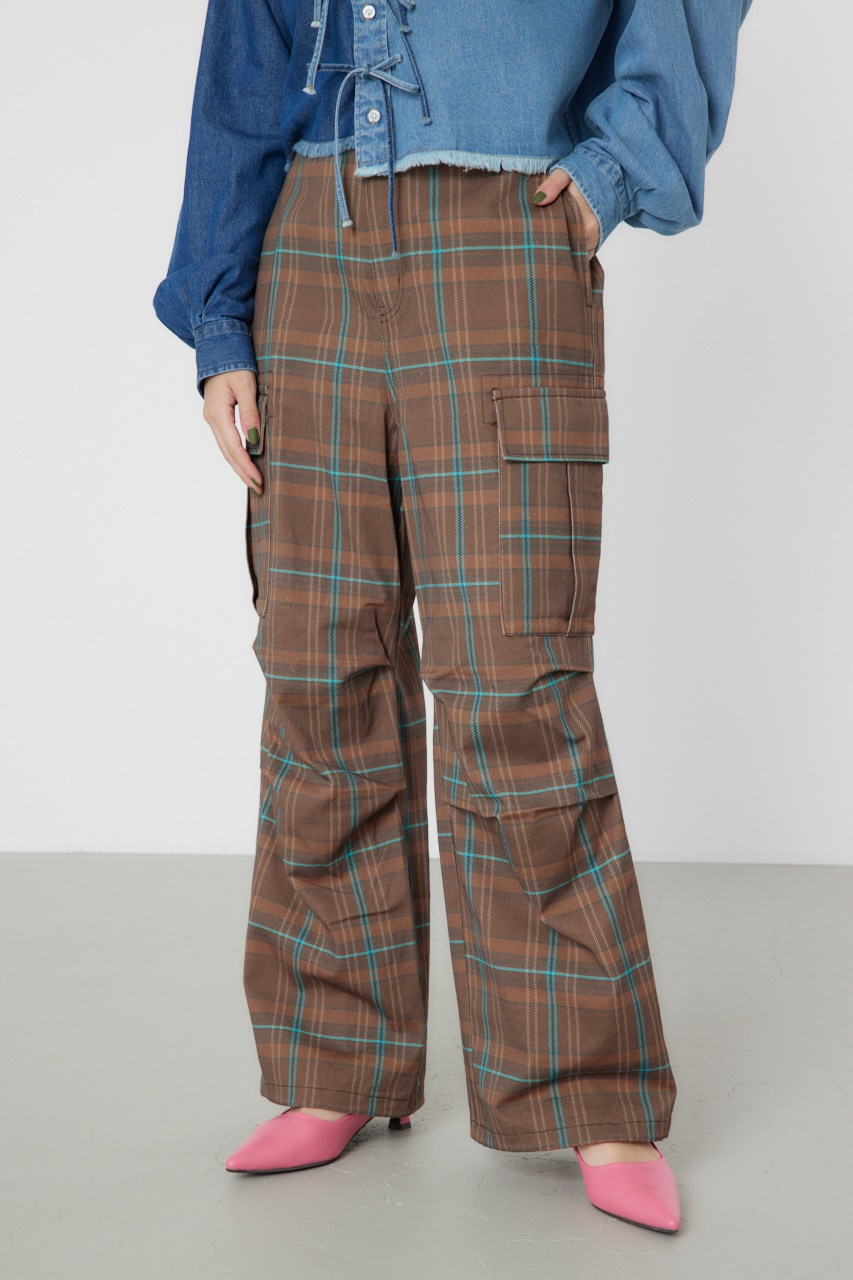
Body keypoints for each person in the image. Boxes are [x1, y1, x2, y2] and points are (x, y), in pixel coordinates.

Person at [153, 0, 753, 1235]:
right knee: (321, 670)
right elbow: (246, 50)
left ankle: (589, 1089)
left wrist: (613, 167)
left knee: (513, 681)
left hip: (504, 226)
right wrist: (220, 319)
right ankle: (334, 1060)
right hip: (306, 244)